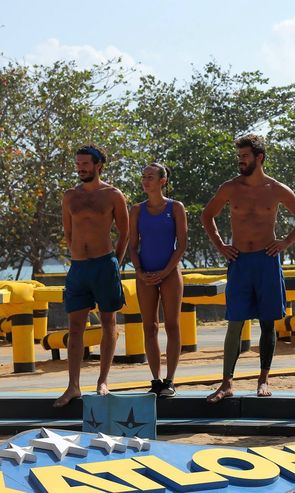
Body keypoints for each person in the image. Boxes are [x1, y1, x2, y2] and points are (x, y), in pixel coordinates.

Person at [202, 134, 295, 402]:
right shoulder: (230, 187)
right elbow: (207, 215)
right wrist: (221, 246)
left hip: (266, 260)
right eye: (239, 157)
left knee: (267, 321)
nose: (240, 161)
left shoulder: (276, 189)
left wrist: (285, 242)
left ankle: (263, 379)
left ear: (259, 158)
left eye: (245, 156)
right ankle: (226, 383)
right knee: (235, 321)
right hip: (239, 260)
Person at [54, 144, 129, 408]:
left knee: (109, 322)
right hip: (78, 267)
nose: (81, 168)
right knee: (75, 327)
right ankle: (73, 386)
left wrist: (114, 263)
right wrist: (78, 254)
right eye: (78, 164)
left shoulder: (113, 195)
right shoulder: (70, 196)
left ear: (98, 165)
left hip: (104, 264)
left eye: (85, 163)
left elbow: (125, 232)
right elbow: (68, 232)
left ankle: (102, 381)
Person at [127, 163, 188, 398]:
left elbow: (181, 245)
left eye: (150, 177)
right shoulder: (137, 210)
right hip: (145, 274)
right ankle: (155, 379)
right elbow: (133, 246)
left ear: (163, 181)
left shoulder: (176, 207)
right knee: (150, 326)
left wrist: (165, 272)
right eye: (144, 176)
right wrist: (139, 271)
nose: (145, 181)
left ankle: (170, 381)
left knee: (172, 325)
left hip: (170, 273)